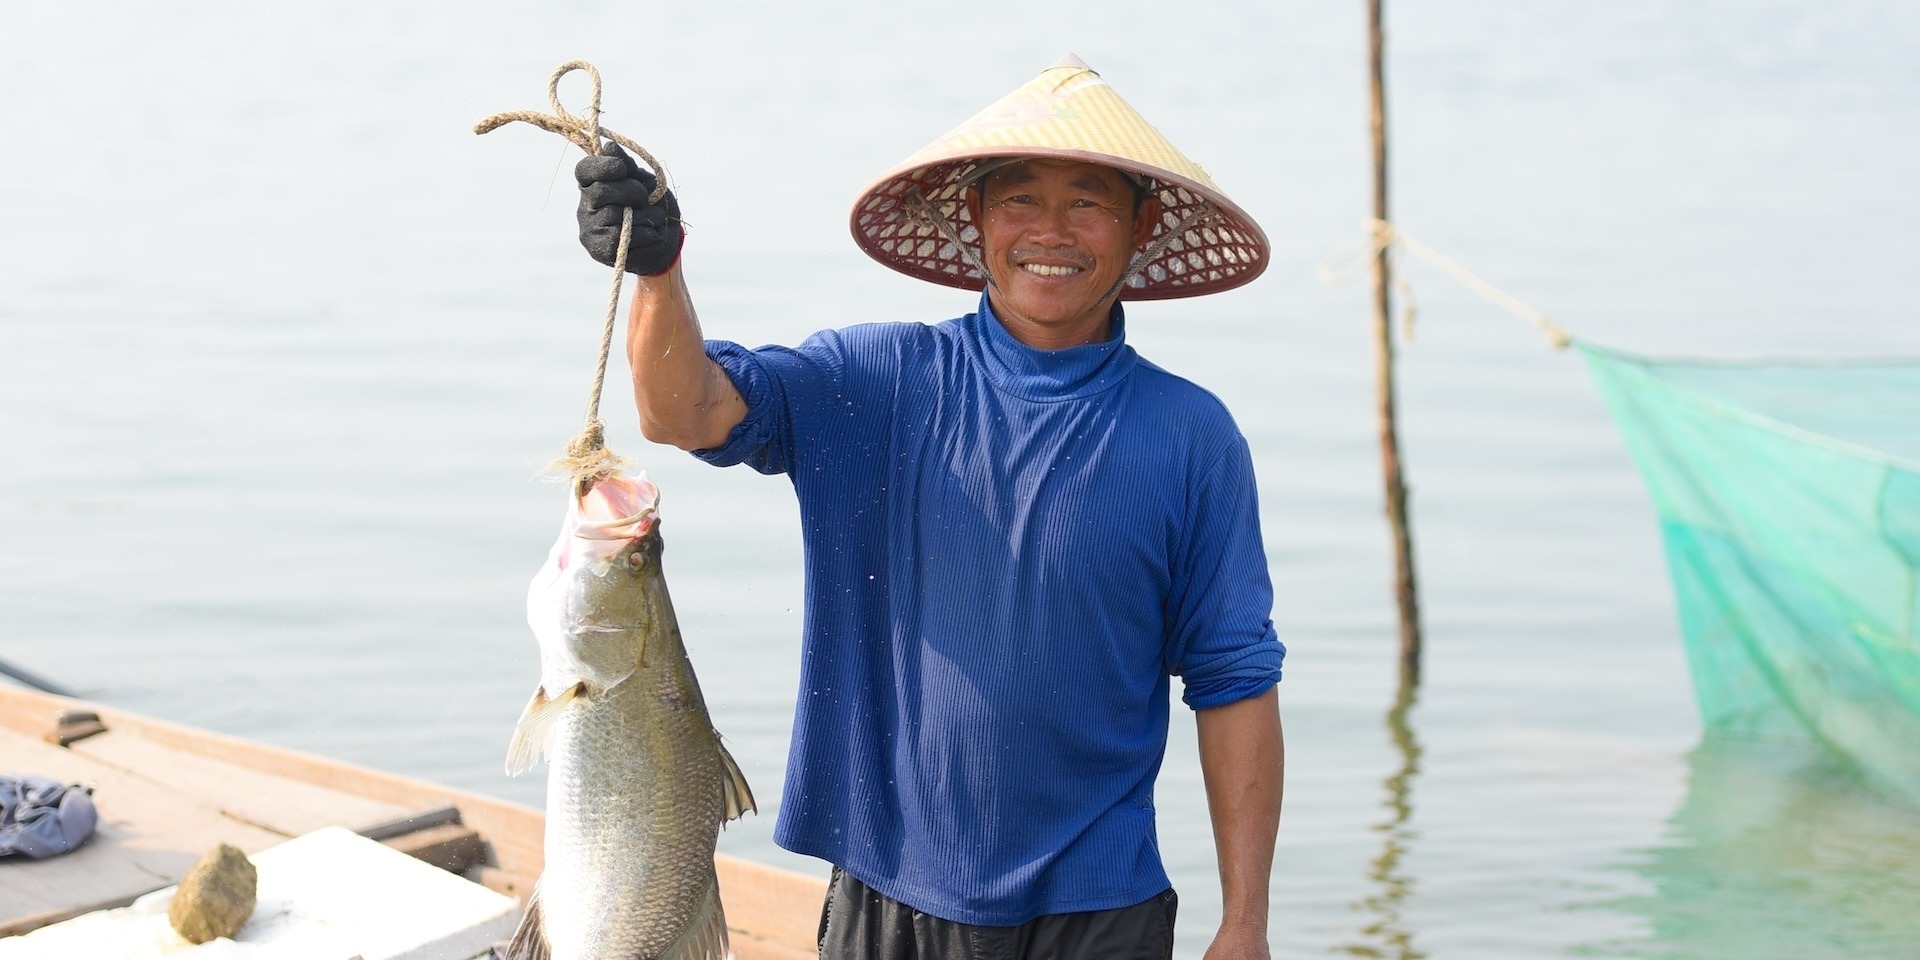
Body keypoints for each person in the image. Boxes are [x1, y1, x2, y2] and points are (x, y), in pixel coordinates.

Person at [576, 56, 1285, 960]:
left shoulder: (1193, 436)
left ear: (1143, 224)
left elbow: (1235, 681)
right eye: (1019, 199)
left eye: (1089, 202)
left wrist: (1247, 922)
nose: (1050, 232)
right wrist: (657, 268)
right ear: (977, 217)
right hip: (892, 891)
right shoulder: (874, 383)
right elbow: (684, 409)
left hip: (1103, 905)